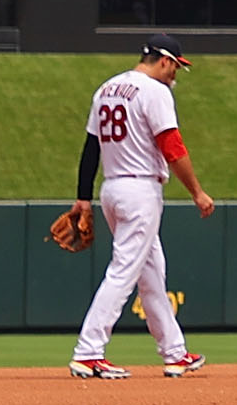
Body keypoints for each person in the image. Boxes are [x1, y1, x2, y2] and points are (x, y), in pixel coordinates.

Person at [64, 35, 213, 378]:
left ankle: (174, 352)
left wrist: (83, 197)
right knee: (124, 271)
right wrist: (197, 192)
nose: (175, 73)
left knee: (151, 272)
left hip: (112, 188)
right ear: (163, 60)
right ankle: (88, 351)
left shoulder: (105, 89)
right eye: (175, 66)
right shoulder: (155, 91)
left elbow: (91, 148)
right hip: (140, 190)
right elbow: (172, 147)